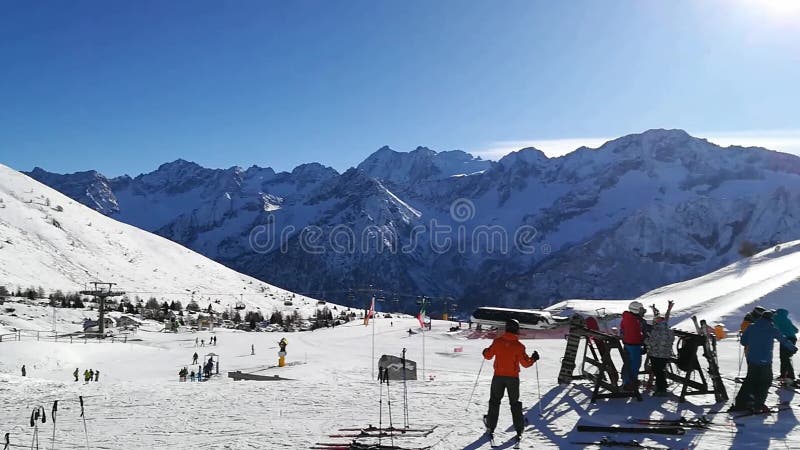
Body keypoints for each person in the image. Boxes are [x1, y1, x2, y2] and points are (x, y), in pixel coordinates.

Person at [482, 319, 539, 446]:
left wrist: (485, 351)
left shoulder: (497, 342)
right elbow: (526, 364)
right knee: (514, 403)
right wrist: (533, 359)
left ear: (506, 329)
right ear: (517, 330)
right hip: (513, 378)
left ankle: (490, 427)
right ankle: (519, 428)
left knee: (495, 401)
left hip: (498, 377)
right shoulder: (519, 346)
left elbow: (488, 356)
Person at [731, 309, 798, 412]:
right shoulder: (772, 328)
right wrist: (792, 348)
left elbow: (743, 342)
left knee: (749, 381)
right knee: (765, 382)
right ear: (771, 319)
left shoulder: (751, 327)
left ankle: (740, 404)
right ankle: (758, 406)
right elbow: (783, 339)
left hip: (752, 359)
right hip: (765, 361)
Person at [645, 301, 675, 397]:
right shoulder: (669, 331)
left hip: (656, 354)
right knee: (661, 370)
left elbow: (651, 343)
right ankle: (663, 387)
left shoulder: (656, 331)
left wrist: (645, 340)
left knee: (658, 371)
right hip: (665, 354)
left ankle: (661, 389)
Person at [620, 301, 646, 390]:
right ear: (636, 310)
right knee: (635, 364)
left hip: (627, 343)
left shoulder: (627, 317)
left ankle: (626, 380)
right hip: (634, 345)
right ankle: (630, 383)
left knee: (627, 362)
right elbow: (636, 334)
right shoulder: (634, 320)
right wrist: (643, 341)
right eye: (641, 310)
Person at [773, 309, 799, 385]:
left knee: (784, 357)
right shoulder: (787, 319)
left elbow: (771, 326)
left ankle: (789, 376)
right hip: (793, 338)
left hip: (785, 338)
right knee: (786, 357)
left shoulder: (775, 318)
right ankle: (785, 375)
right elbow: (796, 330)